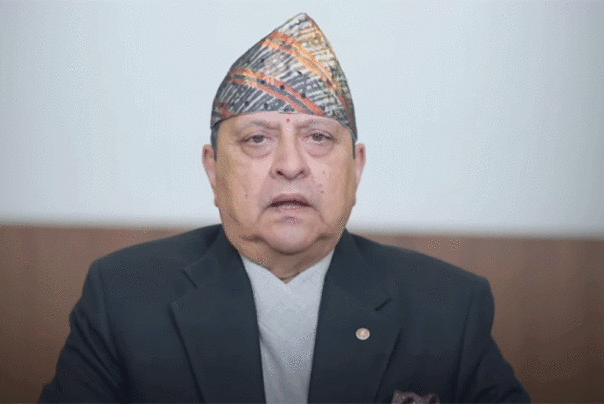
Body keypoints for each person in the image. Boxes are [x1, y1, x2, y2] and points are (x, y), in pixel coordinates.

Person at [39, 13, 530, 403]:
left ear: (356, 167)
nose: (291, 166)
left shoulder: (448, 307)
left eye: (318, 138)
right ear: (213, 169)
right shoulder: (123, 298)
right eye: (257, 139)